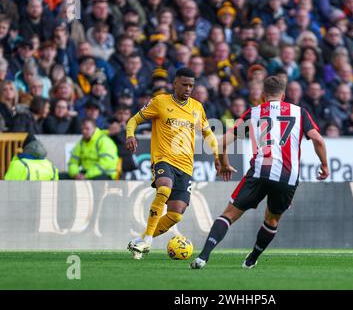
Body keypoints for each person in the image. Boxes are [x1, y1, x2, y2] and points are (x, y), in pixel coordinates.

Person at [190, 75, 329, 270]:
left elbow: (221, 143)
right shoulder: (300, 112)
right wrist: (324, 165)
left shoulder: (253, 112)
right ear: (283, 95)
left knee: (228, 215)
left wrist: (224, 163)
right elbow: (318, 140)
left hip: (259, 172)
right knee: (272, 219)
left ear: (263, 95)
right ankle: (251, 260)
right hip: (287, 177)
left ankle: (203, 257)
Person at [125, 68, 226, 259]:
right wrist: (130, 135)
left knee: (176, 214)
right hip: (163, 158)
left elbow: (208, 134)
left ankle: (139, 241)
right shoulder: (160, 102)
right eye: (185, 85)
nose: (188, 89)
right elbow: (133, 120)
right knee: (164, 189)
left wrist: (217, 156)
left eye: (191, 85)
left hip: (185, 166)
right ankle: (147, 241)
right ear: (175, 84)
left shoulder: (197, 107)